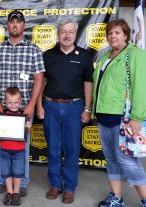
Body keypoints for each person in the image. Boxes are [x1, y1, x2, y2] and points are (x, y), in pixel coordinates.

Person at [36, 18, 93, 204]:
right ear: (58, 33)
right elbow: (39, 83)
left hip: (74, 108)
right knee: (53, 148)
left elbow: (88, 84)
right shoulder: (48, 55)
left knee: (72, 149)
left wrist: (87, 108)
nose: (67, 35)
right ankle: (55, 184)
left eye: (71, 32)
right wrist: (38, 106)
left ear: (76, 35)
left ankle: (69, 187)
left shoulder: (84, 56)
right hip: (50, 106)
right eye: (63, 31)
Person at [0, 10, 45, 197]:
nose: (15, 25)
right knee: (1, 145)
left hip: (24, 108)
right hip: (3, 109)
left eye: (18, 22)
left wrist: (31, 105)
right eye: (11, 22)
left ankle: (22, 183)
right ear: (7, 26)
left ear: (24, 26)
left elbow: (39, 79)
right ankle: (0, 180)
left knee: (23, 147)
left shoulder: (34, 50)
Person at [92, 18, 146, 207]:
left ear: (126, 35)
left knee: (126, 160)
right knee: (111, 159)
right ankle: (117, 197)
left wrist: (138, 117)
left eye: (117, 32)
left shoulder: (135, 54)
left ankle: (145, 199)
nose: (112, 36)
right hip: (104, 116)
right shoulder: (106, 56)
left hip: (122, 118)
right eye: (110, 33)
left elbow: (141, 86)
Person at [0, 87, 32, 206]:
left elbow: (27, 132)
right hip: (4, 150)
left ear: (20, 102)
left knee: (18, 172)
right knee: (6, 173)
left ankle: (16, 193)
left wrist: (28, 126)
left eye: (16, 103)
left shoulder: (24, 116)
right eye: (10, 103)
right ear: (5, 102)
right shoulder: (2, 116)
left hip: (19, 151)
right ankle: (9, 192)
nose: (13, 105)